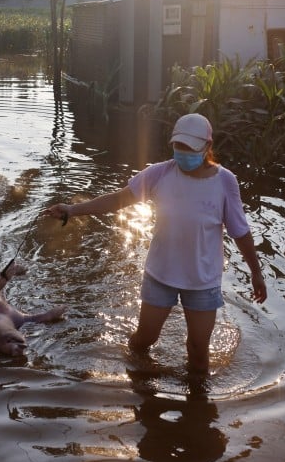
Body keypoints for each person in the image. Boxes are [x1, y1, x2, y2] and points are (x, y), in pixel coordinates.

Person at [46, 112, 267, 373]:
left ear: (207, 147)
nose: (183, 153)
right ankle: (138, 384)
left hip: (203, 280)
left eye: (190, 149)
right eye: (178, 147)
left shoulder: (224, 181)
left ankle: (198, 408)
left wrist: (256, 273)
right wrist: (73, 209)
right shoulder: (159, 174)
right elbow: (118, 199)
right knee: (144, 340)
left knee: (198, 351)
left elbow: (240, 231)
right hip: (161, 273)